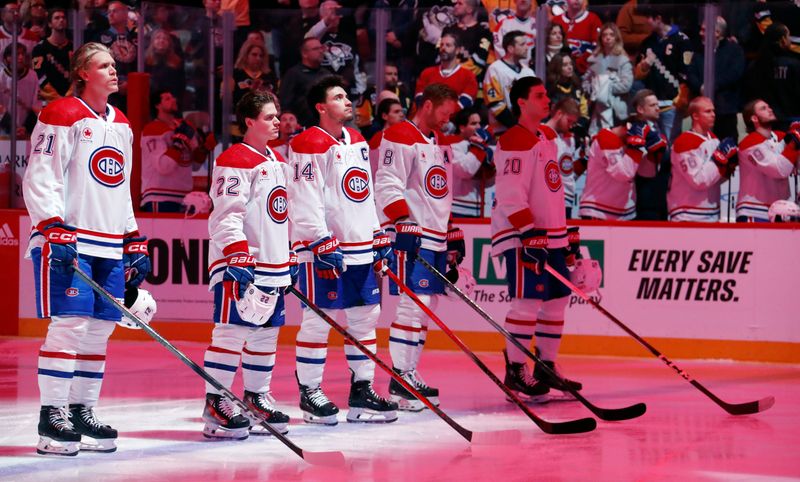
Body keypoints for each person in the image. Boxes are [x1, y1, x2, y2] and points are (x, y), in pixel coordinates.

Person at [23, 42, 151, 456]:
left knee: (99, 332)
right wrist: (52, 225)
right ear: (83, 73)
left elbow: (120, 187)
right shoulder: (60, 113)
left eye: (114, 65)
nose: (114, 71)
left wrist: (132, 236)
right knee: (70, 327)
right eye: (104, 65)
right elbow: (42, 175)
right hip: (70, 239)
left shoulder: (122, 124)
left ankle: (81, 411)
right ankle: (52, 416)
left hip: (110, 242)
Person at [288, 75, 398, 425]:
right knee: (319, 320)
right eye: (338, 97)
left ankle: (362, 390)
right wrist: (319, 238)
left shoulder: (358, 139)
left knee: (366, 317)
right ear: (321, 107)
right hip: (324, 249)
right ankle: (310, 392)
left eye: (346, 95)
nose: (347, 101)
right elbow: (304, 196)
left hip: (360, 246)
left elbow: (363, 192)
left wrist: (377, 232)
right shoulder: (307, 142)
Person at [201, 90, 292, 440]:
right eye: (269, 117)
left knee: (266, 334)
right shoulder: (234, 159)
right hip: (241, 262)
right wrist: (238, 253)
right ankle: (216, 402)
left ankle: (255, 398)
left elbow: (281, 215)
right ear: (250, 122)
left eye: (277, 115)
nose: (276, 122)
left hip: (272, 263)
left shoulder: (278, 161)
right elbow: (225, 216)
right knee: (231, 332)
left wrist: (290, 257)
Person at [491, 76, 581, 402]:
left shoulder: (546, 137)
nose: (547, 101)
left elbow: (553, 190)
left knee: (557, 299)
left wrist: (566, 232)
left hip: (551, 235)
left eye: (547, 95)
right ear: (522, 102)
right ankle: (515, 369)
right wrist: (528, 233)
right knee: (527, 302)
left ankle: (545, 365)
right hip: (525, 236)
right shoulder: (514, 140)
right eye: (539, 96)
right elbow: (511, 195)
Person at [374, 83, 463, 411]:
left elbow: (440, 191)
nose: (448, 119)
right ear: (427, 105)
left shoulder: (438, 142)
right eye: (444, 112)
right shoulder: (399, 134)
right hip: (411, 233)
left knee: (427, 305)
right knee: (414, 303)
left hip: (435, 234)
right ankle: (400, 377)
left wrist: (451, 229)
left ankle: (409, 371)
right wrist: (401, 221)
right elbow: (386, 182)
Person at [579, 91, 663, 220]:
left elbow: (646, 173)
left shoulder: (641, 136)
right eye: (652, 105)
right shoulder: (606, 137)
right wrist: (635, 147)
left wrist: (654, 155)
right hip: (598, 210)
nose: (657, 108)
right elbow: (623, 174)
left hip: (625, 212)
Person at [140, 90, 212, 213]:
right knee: (160, 233)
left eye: (173, 97)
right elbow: (163, 167)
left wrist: (204, 149)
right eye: (167, 99)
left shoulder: (183, 127)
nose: (173, 100)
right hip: (160, 196)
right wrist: (178, 143)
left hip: (185, 198)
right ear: (157, 105)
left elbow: (194, 165)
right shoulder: (153, 129)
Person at [668, 96, 737, 222]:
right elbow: (698, 180)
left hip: (712, 212)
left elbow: (715, 178)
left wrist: (729, 168)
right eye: (708, 111)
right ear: (695, 116)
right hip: (687, 213)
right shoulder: (685, 142)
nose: (713, 115)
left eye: (713, 111)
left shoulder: (714, 139)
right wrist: (720, 159)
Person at [633, 4, 692, 143]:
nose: (645, 21)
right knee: (652, 142)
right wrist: (643, 67)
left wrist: (683, 95)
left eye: (648, 18)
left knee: (670, 143)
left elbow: (687, 72)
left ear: (658, 18)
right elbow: (638, 74)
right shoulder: (647, 43)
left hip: (672, 104)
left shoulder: (681, 40)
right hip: (651, 104)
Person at [735, 100, 799, 222]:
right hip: (754, 211)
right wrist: (794, 145)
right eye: (763, 108)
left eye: (769, 107)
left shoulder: (781, 137)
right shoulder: (749, 144)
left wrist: (796, 137)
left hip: (781, 211)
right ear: (754, 118)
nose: (770, 109)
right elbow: (780, 169)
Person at [686, 16, 744, 142]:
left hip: (725, 110)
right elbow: (690, 73)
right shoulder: (699, 51)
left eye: (704, 30)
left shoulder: (734, 51)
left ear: (717, 33)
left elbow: (734, 74)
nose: (700, 33)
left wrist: (713, 85)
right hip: (701, 110)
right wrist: (700, 87)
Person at [583, 23, 632, 135]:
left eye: (611, 34)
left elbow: (626, 85)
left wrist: (605, 87)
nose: (608, 37)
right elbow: (586, 81)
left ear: (616, 38)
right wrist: (593, 89)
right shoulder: (594, 59)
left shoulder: (623, 60)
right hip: (595, 108)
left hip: (616, 109)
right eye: (604, 35)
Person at [484, 30, 535, 134]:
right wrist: (517, 126)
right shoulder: (495, 69)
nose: (527, 48)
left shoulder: (528, 72)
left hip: (527, 131)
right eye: (522, 44)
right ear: (510, 48)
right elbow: (495, 104)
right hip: (503, 132)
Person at [415, 31, 478, 110]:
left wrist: (443, 113)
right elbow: (419, 97)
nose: (443, 48)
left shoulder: (468, 76)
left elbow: (466, 101)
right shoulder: (427, 73)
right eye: (441, 45)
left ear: (457, 50)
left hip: (454, 120)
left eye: (448, 45)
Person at [451, 107, 495, 218]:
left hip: (478, 208)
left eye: (480, 123)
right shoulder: (452, 145)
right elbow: (465, 171)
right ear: (462, 127)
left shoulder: (480, 146)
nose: (478, 128)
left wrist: (490, 168)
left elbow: (489, 183)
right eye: (473, 123)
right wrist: (479, 146)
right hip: (457, 208)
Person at [279, 37, 331, 127]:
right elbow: (285, 102)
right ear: (304, 53)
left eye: (321, 48)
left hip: (325, 125)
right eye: (316, 49)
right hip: (302, 126)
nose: (321, 51)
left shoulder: (326, 74)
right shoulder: (293, 74)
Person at [544, 97, 583, 219]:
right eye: (569, 121)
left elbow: (568, 174)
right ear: (559, 114)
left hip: (568, 201)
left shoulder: (569, 140)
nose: (571, 126)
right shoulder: (541, 134)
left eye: (573, 123)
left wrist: (584, 160)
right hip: (549, 200)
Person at [31, 8, 73, 104]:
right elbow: (39, 75)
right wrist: (56, 97)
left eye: (63, 18)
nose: (61, 20)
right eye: (57, 18)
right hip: (48, 100)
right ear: (50, 24)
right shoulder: (40, 48)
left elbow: (78, 73)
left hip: (70, 99)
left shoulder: (73, 46)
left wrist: (68, 96)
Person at [550, 0, 602, 75]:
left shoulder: (593, 19)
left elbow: (597, 47)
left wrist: (577, 65)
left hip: (586, 71)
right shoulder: (557, 20)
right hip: (560, 71)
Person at [0, 42, 40, 137]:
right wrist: (11, 127)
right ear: (8, 58)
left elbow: (37, 105)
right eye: (17, 54)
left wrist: (26, 127)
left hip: (27, 131)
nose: (21, 57)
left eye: (23, 54)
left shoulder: (33, 76)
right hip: (4, 131)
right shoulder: (1, 77)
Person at [232, 40, 278, 110]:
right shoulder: (236, 74)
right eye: (254, 54)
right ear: (246, 55)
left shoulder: (269, 75)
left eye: (261, 56)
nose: (258, 58)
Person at [144, 28, 186, 103]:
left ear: (169, 44)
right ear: (152, 42)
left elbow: (181, 85)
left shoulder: (176, 62)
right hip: (150, 99)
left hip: (171, 100)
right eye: (158, 38)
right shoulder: (145, 60)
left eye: (165, 39)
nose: (161, 41)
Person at [367, 97, 406, 176]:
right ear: (384, 116)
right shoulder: (378, 138)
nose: (401, 115)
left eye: (402, 111)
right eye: (396, 112)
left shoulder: (405, 138)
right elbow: (373, 169)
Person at [492, 0, 536, 67]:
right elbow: (499, 50)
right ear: (514, 1)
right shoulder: (503, 24)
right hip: (508, 71)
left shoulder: (539, 25)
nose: (523, 0)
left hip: (533, 70)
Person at [546, 53, 588, 119]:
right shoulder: (550, 88)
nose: (570, 67)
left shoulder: (576, 85)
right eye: (565, 65)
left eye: (570, 64)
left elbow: (583, 110)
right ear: (557, 67)